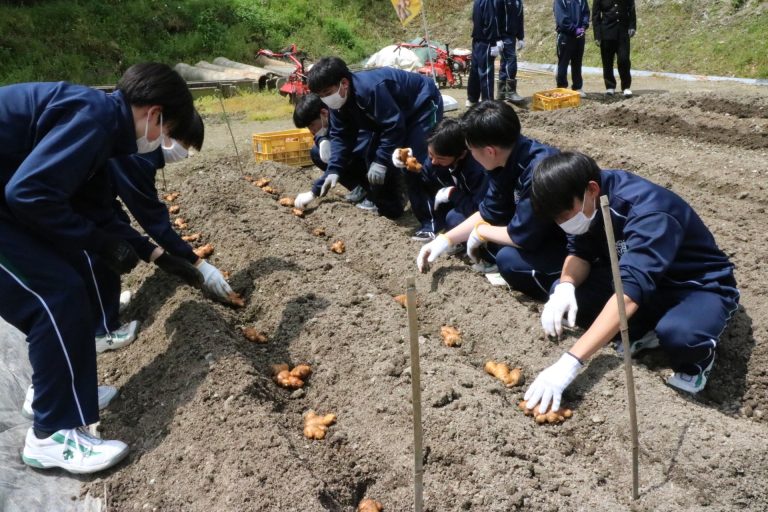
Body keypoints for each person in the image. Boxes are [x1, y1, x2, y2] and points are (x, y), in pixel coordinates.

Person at [0, 62, 195, 474]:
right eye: (167, 129)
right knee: (55, 295)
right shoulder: (95, 118)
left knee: (68, 283)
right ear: (155, 114)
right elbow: (28, 192)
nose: (162, 141)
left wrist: (146, 252)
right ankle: (52, 435)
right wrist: (101, 242)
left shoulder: (103, 122)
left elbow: (92, 207)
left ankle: (56, 393)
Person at [523, 152, 739, 414]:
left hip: (693, 285)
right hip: (643, 281)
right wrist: (565, 285)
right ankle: (643, 330)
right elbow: (579, 251)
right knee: (576, 304)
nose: (562, 224)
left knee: (681, 335)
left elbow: (629, 292)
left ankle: (696, 363)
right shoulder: (591, 201)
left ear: (591, 189)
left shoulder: (649, 210)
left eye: (564, 214)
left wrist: (570, 362)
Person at [416, 101, 566, 300]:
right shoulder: (503, 162)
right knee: (461, 224)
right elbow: (489, 211)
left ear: (489, 151)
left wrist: (482, 231)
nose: (470, 156)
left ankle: (561, 293)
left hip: (565, 244)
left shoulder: (538, 173)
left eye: (471, 150)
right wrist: (445, 240)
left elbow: (524, 236)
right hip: (530, 230)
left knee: (509, 261)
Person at [307, 56, 444, 241]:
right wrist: (333, 169)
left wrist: (381, 161)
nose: (325, 99)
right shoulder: (338, 103)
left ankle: (432, 223)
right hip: (393, 117)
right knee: (372, 157)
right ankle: (391, 206)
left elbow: (394, 126)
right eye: (321, 96)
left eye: (327, 92)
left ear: (344, 83)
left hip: (421, 105)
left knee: (414, 162)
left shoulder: (371, 89)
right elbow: (341, 136)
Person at [290, 93, 376, 211]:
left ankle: (375, 195)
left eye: (311, 125)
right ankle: (359, 187)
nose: (311, 131)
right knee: (316, 152)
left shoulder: (344, 118)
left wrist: (313, 192)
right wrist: (321, 140)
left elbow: (339, 158)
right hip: (353, 152)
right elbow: (321, 133)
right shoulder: (327, 118)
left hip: (369, 153)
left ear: (324, 113)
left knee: (347, 157)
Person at [420, 118, 490, 232]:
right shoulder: (436, 160)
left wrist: (453, 193)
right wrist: (408, 170)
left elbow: (481, 210)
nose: (433, 161)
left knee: (454, 220)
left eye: (440, 158)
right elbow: (425, 177)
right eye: (431, 154)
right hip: (462, 196)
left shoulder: (478, 169)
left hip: (481, 207)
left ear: (462, 154)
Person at [592, 0, 636, 96]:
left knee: (624, 60)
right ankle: (610, 86)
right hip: (606, 32)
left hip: (622, 32)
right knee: (607, 61)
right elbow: (596, 15)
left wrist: (632, 26)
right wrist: (597, 35)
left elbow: (631, 7)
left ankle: (626, 86)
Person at [467, 0, 502, 106]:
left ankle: (472, 98)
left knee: (475, 70)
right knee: (486, 71)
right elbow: (490, 21)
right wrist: (494, 42)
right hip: (486, 41)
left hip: (477, 39)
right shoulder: (487, 1)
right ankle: (488, 102)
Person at [554, 0, 591, 96]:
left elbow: (586, 12)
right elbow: (562, 18)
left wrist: (583, 26)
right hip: (565, 35)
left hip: (579, 36)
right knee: (563, 62)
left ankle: (577, 87)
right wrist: (574, 29)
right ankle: (562, 87)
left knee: (577, 62)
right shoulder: (560, 1)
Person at [496, 0, 526, 104]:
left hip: (512, 36)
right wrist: (498, 37)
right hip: (504, 35)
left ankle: (501, 92)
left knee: (505, 62)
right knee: (511, 59)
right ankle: (510, 91)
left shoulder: (518, 2)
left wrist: (520, 37)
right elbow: (496, 17)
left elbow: (520, 19)